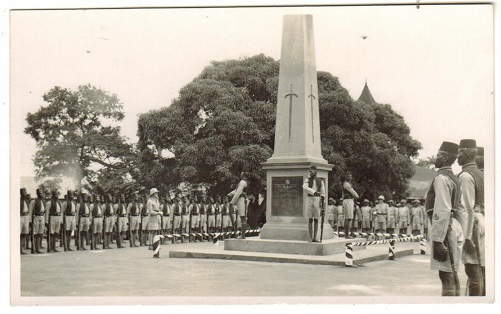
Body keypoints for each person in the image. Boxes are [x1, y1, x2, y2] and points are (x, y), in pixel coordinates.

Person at [425, 141, 464, 296]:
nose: (436, 157)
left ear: (446, 158)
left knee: (446, 274)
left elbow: (442, 209)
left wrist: (438, 239)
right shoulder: (454, 178)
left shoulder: (442, 178)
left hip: (445, 228)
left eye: (439, 155)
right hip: (453, 225)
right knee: (452, 271)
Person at [456, 139, 485, 296]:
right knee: (480, 270)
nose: (457, 157)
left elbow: (466, 208)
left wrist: (467, 238)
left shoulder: (466, 175)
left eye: (459, 153)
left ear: (466, 153)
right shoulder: (480, 173)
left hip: (471, 225)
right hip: (480, 220)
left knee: (473, 271)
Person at [302, 166, 325, 242]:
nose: (311, 172)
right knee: (310, 218)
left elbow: (323, 193)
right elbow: (305, 187)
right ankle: (310, 237)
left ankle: (315, 237)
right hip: (309, 199)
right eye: (310, 171)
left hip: (317, 200)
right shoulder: (307, 180)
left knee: (316, 218)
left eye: (312, 171)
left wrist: (323, 203)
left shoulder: (320, 181)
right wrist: (314, 192)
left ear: (315, 171)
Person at [229, 172, 251, 239]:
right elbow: (236, 191)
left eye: (241, 174)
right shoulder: (244, 182)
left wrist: (232, 202)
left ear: (243, 175)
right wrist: (230, 193)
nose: (240, 175)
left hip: (241, 199)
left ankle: (243, 235)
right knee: (242, 217)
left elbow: (238, 192)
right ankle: (242, 234)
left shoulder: (242, 182)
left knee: (243, 217)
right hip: (242, 199)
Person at [341, 172, 359, 238]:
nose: (350, 177)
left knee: (349, 218)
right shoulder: (346, 184)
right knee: (348, 218)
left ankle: (347, 233)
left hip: (350, 200)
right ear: (346, 177)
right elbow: (352, 192)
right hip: (348, 200)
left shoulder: (349, 183)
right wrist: (357, 196)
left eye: (351, 176)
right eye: (348, 176)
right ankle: (346, 234)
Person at [29, 189, 46, 253]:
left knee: (40, 233)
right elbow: (30, 211)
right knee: (35, 233)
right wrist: (30, 220)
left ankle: (38, 248)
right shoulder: (34, 201)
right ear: (37, 194)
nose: (42, 194)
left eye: (42, 193)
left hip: (42, 217)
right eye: (40, 193)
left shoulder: (43, 201)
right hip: (36, 217)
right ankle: (33, 249)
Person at [20, 188, 30, 254]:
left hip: (26, 217)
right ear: (20, 193)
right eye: (24, 191)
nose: (25, 193)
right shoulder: (18, 200)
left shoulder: (26, 201)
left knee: (24, 233)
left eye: (26, 191)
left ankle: (21, 249)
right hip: (20, 217)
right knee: (19, 233)